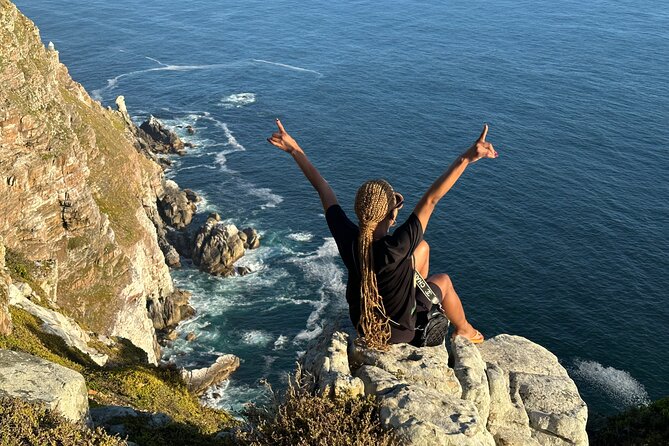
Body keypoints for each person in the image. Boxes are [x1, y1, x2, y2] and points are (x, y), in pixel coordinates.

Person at [267, 119, 498, 349]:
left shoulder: (349, 238)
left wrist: (295, 150)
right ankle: (465, 329)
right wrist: (466, 158)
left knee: (422, 248)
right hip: (399, 333)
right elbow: (431, 199)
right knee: (444, 281)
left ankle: (412, 298)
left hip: (362, 325)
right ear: (392, 216)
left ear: (359, 211)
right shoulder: (396, 247)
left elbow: (323, 189)